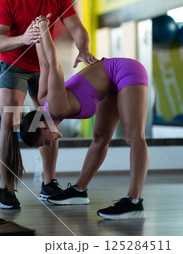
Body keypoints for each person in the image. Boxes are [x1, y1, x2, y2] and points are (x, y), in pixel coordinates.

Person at [20, 16, 149, 220]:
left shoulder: (56, 107)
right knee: (99, 138)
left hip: (126, 72)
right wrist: (37, 36)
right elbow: (43, 65)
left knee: (134, 137)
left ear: (43, 126)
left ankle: (134, 200)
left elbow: (54, 64)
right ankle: (79, 190)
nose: (50, 143)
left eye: (45, 141)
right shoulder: (44, 101)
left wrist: (44, 27)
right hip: (111, 84)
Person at [0, 0, 98, 209]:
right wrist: (23, 38)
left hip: (44, 66)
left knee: (50, 122)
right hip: (14, 65)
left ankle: (48, 184)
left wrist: (83, 49)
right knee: (9, 123)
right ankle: (6, 189)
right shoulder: (7, 2)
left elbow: (77, 28)